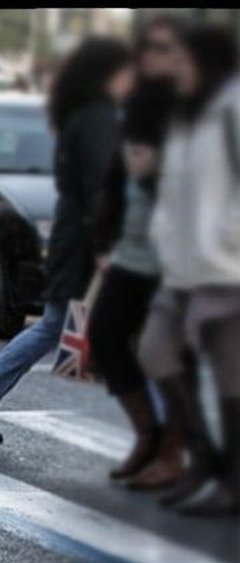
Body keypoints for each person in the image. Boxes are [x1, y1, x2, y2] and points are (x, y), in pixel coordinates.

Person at [0, 38, 133, 441]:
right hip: (88, 246)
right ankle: (170, 437)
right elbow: (98, 189)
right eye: (127, 73)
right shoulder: (98, 119)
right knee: (126, 334)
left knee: (58, 326)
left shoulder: (83, 115)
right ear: (109, 75)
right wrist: (109, 245)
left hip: (77, 242)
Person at [138, 24, 240, 516]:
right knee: (155, 350)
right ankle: (205, 460)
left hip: (224, 269)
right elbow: (174, 188)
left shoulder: (231, 105)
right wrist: (163, 233)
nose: (171, 66)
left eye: (177, 55)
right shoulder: (186, 115)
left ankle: (232, 480)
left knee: (229, 374)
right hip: (180, 269)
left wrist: (224, 238)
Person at [87, 17, 186, 486]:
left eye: (164, 49)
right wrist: (104, 241)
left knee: (170, 353)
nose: (154, 57)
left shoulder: (197, 108)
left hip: (181, 253)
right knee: (105, 338)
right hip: (132, 248)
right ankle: (149, 433)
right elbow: (115, 177)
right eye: (148, 49)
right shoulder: (141, 104)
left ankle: (174, 449)